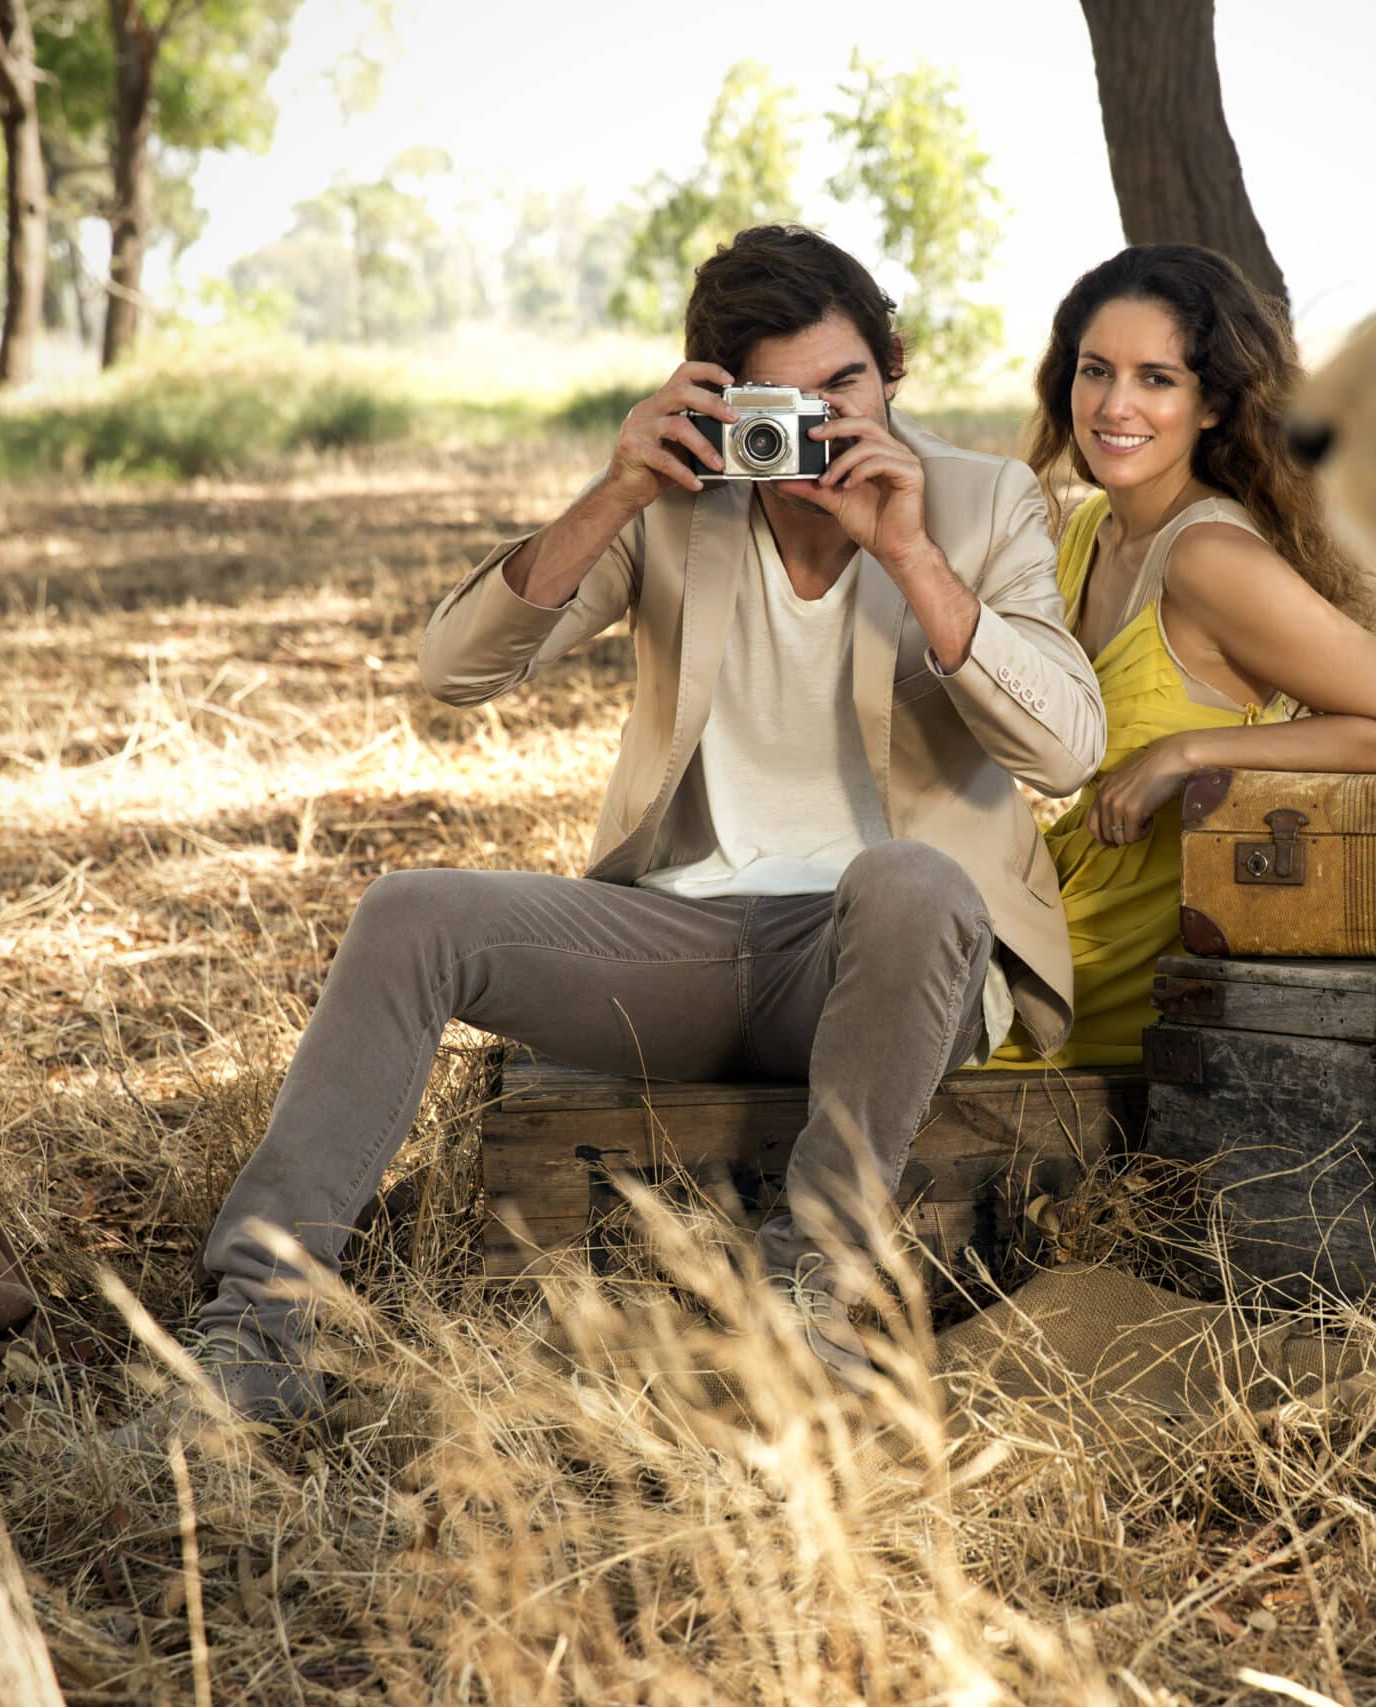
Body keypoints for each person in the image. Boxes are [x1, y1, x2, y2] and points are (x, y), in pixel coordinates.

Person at [162, 226, 1105, 1415]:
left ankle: (803, 1298)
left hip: (894, 962)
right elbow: (451, 674)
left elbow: (1067, 751)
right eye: (784, 401)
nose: (818, 425)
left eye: (845, 387)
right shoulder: (676, 503)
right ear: (720, 398)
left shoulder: (980, 499)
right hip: (687, 952)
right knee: (411, 911)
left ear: (891, 369)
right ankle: (258, 1327)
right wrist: (617, 490)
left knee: (911, 879)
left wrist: (910, 555)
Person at [989, 245, 1376, 1070]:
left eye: (1157, 379)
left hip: (1130, 957)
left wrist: (1190, 751)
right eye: (1096, 370)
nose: (1115, 404)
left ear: (1211, 406)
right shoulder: (1090, 529)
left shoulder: (1208, 558)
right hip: (1055, 904)